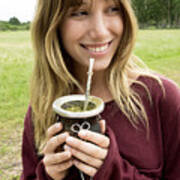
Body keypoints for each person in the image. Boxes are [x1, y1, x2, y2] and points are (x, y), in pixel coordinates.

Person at [20, 0, 180, 179]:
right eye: (80, 12)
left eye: (113, 9)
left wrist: (111, 171)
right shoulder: (42, 107)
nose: (100, 32)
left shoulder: (163, 99)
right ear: (52, 23)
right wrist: (48, 175)